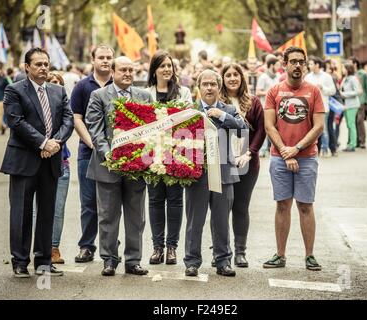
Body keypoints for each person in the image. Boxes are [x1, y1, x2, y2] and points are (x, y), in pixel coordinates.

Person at [0, 47, 74, 278]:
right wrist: (43, 143)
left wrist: (55, 143)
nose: (43, 68)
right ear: (27, 67)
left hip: (50, 161)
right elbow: (16, 122)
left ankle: (43, 261)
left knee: (46, 212)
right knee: (21, 212)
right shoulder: (14, 90)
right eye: (38, 64)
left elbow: (68, 120)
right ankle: (20, 262)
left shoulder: (58, 91)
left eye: (46, 63)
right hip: (24, 161)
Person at [85, 56, 152, 277]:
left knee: (136, 217)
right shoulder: (99, 96)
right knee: (107, 216)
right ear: (112, 72)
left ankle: (133, 260)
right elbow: (95, 129)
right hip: (108, 167)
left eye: (131, 70)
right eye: (123, 69)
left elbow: (152, 129)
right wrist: (110, 155)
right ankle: (109, 260)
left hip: (136, 168)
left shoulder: (144, 96)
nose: (128, 74)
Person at [263, 46, 324, 271]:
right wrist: (284, 150)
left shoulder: (314, 91)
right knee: (282, 206)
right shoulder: (274, 91)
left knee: (306, 206)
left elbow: (318, 126)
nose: (297, 65)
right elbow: (269, 125)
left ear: (305, 65)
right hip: (279, 158)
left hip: (306, 157)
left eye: (301, 61)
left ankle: (309, 256)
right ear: (285, 64)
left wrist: (296, 149)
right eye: (293, 61)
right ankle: (280, 255)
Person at [184, 69, 247, 278]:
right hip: (197, 175)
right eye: (205, 84)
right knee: (195, 221)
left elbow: (242, 129)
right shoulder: (190, 110)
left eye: (213, 84)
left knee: (221, 220)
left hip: (224, 173)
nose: (209, 87)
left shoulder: (228, 108)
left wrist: (223, 115)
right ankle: (192, 262)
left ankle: (223, 261)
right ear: (199, 87)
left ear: (219, 88)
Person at [145, 51, 193, 265]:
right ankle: (157, 248)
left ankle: (172, 247)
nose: (166, 69)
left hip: (177, 154)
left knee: (175, 201)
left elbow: (189, 121)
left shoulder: (184, 93)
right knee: (155, 201)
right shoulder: (145, 94)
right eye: (162, 66)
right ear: (154, 70)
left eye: (169, 66)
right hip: (150, 155)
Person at [219, 63, 266, 267]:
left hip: (248, 162)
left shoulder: (253, 102)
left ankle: (240, 252)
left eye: (235, 75)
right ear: (223, 79)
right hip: (222, 163)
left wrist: (250, 153)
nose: (232, 78)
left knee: (240, 207)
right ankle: (221, 252)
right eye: (228, 75)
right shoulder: (218, 103)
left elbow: (261, 130)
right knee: (221, 208)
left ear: (242, 78)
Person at [71, 44, 114, 263]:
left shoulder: (119, 85)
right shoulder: (81, 86)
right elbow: (76, 118)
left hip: (116, 155)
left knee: (112, 204)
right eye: (101, 57)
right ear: (93, 59)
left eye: (109, 57)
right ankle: (87, 246)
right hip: (88, 153)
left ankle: (112, 244)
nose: (105, 61)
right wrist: (93, 144)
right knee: (88, 203)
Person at [46, 71, 72, 264]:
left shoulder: (64, 104)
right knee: (39, 208)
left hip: (61, 161)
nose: (55, 85)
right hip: (38, 160)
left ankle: (54, 248)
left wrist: (55, 143)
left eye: (58, 82)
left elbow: (68, 124)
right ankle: (41, 247)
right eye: (51, 82)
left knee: (58, 208)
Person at [305, 56, 337, 157]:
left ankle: (325, 149)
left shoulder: (326, 76)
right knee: (312, 130)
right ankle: (314, 150)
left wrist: (323, 88)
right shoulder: (307, 77)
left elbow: (333, 91)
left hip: (323, 107)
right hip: (310, 108)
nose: (309, 66)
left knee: (323, 129)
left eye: (311, 64)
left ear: (317, 65)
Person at [349, 57, 367, 149]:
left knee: (359, 120)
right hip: (352, 101)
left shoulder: (363, 74)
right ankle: (356, 141)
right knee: (353, 121)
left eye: (350, 63)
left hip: (361, 100)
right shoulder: (350, 74)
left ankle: (362, 141)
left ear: (355, 64)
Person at [340, 62, 362, 152]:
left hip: (352, 105)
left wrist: (344, 94)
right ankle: (350, 143)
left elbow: (358, 91)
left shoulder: (353, 79)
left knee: (351, 125)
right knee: (349, 125)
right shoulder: (345, 78)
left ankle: (352, 145)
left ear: (348, 69)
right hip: (346, 105)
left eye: (343, 68)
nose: (342, 70)